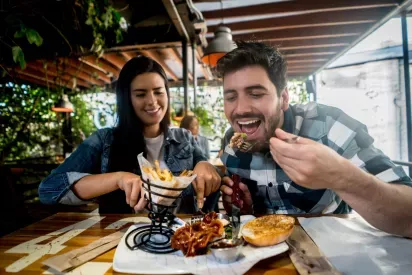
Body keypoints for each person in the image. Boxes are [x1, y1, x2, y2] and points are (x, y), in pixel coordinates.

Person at [218, 41, 412, 238]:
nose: (241, 109)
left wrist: (340, 176)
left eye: (256, 94)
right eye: (231, 97)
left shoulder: (330, 127)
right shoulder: (231, 144)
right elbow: (237, 222)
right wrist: (246, 211)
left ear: (284, 98)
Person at [38, 56, 221, 214]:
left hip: (182, 244)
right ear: (127, 99)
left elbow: (208, 182)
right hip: (119, 243)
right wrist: (118, 179)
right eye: (141, 94)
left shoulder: (184, 138)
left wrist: (205, 165)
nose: (152, 101)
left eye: (158, 92)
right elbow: (49, 189)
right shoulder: (105, 140)